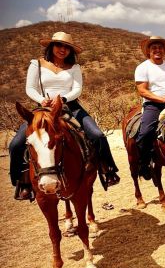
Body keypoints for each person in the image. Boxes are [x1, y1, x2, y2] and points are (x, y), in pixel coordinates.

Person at [9, 31, 120, 200]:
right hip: (43, 108)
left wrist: (63, 99)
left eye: (67, 47)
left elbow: (77, 89)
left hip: (70, 106)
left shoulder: (74, 67)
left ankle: (108, 170)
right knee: (16, 144)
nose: (63, 49)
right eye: (59, 45)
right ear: (51, 46)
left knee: (97, 135)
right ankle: (23, 181)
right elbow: (30, 88)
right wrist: (42, 100)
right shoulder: (36, 64)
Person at [134, 35, 165, 180]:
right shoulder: (143, 67)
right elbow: (142, 90)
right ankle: (144, 163)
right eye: (154, 47)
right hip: (153, 104)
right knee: (145, 132)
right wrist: (162, 98)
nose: (157, 50)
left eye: (160, 47)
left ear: (164, 50)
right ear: (148, 50)